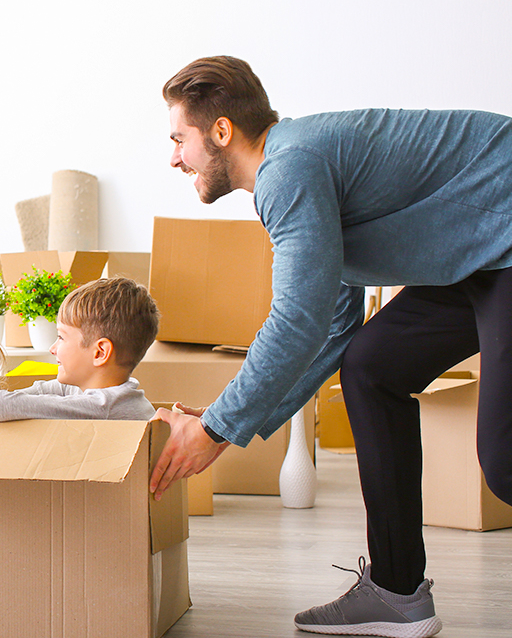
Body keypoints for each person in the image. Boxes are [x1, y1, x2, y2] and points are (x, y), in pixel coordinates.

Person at [151, 55, 512, 638]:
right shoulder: (297, 171)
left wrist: (217, 427)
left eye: (179, 139)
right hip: (479, 254)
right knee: (370, 365)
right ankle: (397, 594)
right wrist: (225, 426)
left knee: (507, 464)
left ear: (221, 132)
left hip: (504, 233)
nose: (173, 157)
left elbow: (297, 320)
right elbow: (332, 327)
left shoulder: (288, 170)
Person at [0, 277, 158, 423]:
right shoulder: (89, 391)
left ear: (100, 352)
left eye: (61, 337)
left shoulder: (105, 406)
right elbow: (39, 391)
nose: (52, 348)